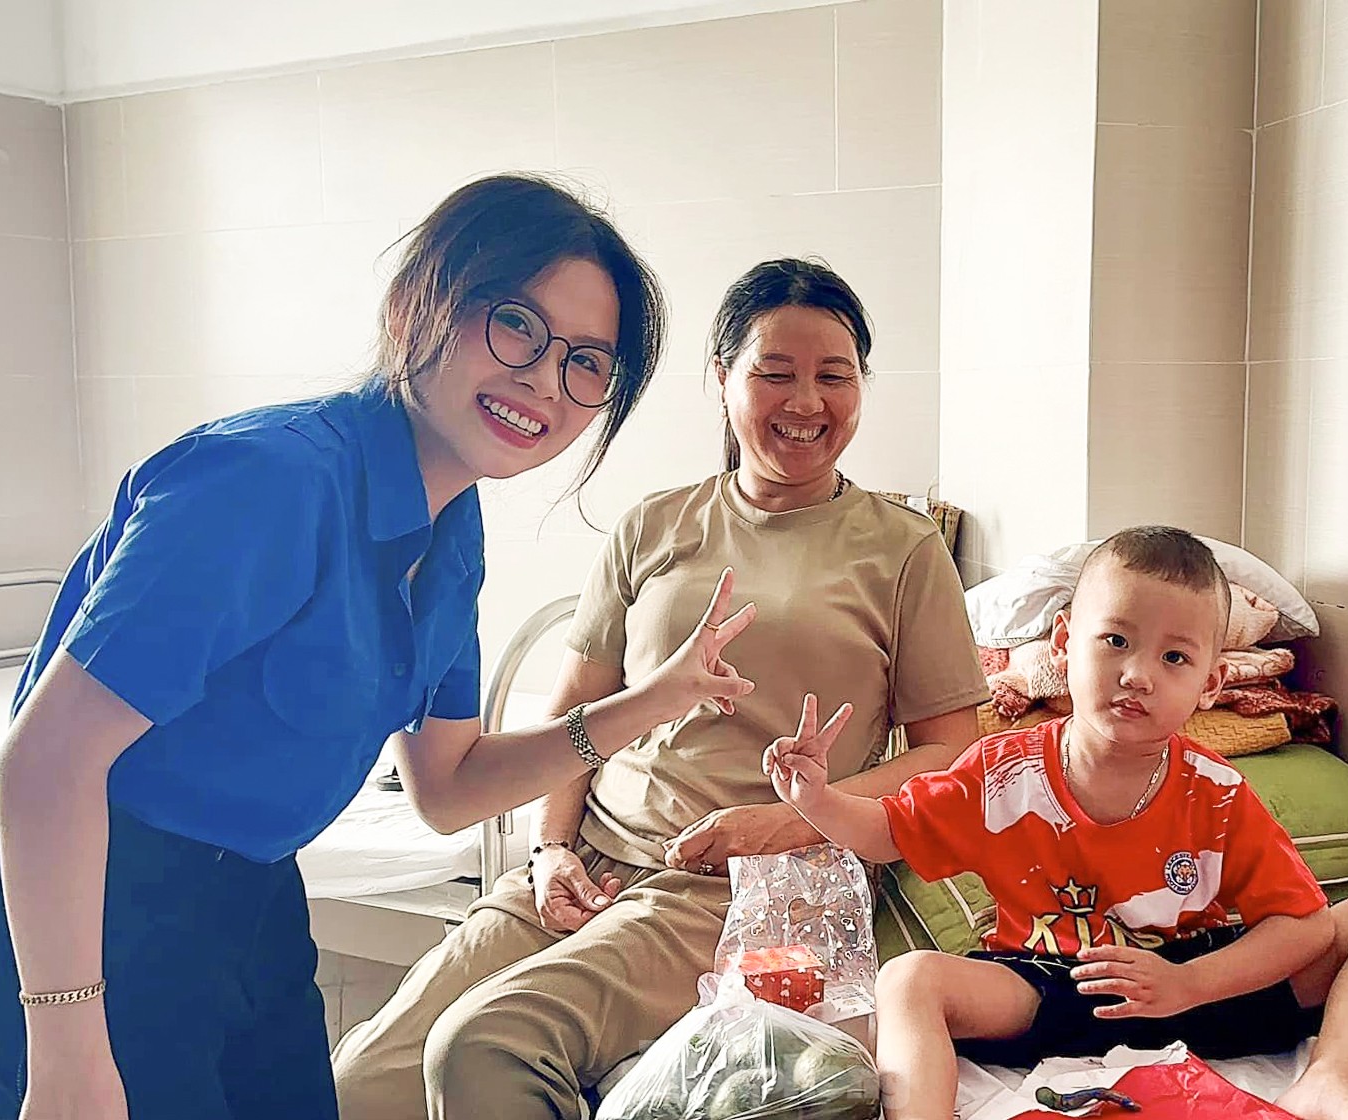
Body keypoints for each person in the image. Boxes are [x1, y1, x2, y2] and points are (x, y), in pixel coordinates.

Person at [0, 174, 763, 1120]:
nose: (544, 380)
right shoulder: (269, 480)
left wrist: (649, 703)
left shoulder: (453, 529)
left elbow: (448, 788)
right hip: (77, 908)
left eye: (587, 362)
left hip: (246, 899)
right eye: (517, 326)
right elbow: (46, 760)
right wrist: (70, 1049)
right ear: (426, 301)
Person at [331, 258, 991, 1119]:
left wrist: (788, 822)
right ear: (721, 380)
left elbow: (954, 758)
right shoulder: (653, 524)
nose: (806, 402)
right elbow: (576, 717)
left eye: (835, 376)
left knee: (487, 1042)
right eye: (774, 373)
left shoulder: (904, 551)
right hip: (590, 868)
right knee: (357, 1082)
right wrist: (550, 850)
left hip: (747, 889)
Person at [767, 526, 1348, 1120]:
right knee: (907, 978)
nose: (1138, 675)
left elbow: (1305, 923)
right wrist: (817, 800)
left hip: (1194, 986)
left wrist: (1186, 984)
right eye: (1115, 640)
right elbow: (891, 830)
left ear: (1209, 683)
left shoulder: (1220, 792)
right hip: (1048, 983)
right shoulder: (1004, 771)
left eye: (1175, 658)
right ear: (1064, 643)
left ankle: (1326, 1082)